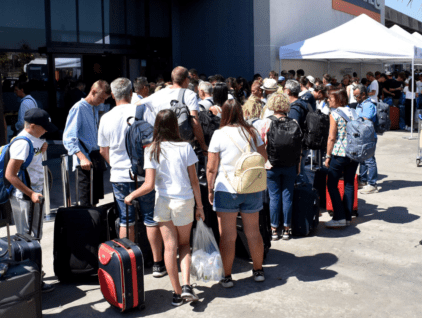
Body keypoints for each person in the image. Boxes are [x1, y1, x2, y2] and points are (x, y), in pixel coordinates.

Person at [124, 109, 204, 306]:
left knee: (169, 246)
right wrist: (200, 206)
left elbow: (149, 185)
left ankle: (177, 294)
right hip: (184, 201)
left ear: (157, 126)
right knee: (184, 245)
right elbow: (195, 182)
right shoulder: (185, 147)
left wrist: (132, 194)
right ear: (175, 126)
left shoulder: (151, 149)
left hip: (163, 203)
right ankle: (186, 285)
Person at [97, 78, 166, 278]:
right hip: (144, 174)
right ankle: (157, 264)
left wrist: (115, 165)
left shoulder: (106, 118)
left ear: (112, 94)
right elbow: (154, 142)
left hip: (118, 175)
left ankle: (129, 265)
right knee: (150, 217)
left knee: (126, 220)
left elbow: (103, 150)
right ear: (131, 93)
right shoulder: (143, 112)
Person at [207, 100, 267, 288]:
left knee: (228, 236)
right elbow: (263, 158)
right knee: (254, 232)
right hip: (251, 187)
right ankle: (258, 271)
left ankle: (227, 276)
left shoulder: (219, 134)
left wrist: (210, 189)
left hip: (226, 188)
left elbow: (211, 167)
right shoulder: (252, 131)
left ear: (224, 114)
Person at [6, 108, 56, 292]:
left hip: (32, 197)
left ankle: (33, 278)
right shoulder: (22, 143)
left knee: (33, 238)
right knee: (28, 240)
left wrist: (41, 150)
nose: (46, 131)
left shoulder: (34, 140)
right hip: (25, 198)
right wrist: (31, 193)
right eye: (44, 127)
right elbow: (10, 175)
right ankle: (31, 282)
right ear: (32, 126)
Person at [254, 93, 298, 241]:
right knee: (288, 196)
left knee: (274, 197)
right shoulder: (294, 122)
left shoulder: (264, 123)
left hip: (271, 165)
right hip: (290, 165)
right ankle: (287, 229)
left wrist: (264, 161)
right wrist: (297, 165)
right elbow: (300, 147)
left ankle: (273, 229)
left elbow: (259, 144)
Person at [63, 80, 111, 206]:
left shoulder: (93, 108)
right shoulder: (78, 108)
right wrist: (82, 157)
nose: (102, 101)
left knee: (94, 200)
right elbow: (68, 137)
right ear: (93, 92)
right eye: (101, 98)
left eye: (105, 99)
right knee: (86, 201)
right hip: (85, 161)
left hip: (94, 158)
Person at [140, 67, 208, 153]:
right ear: (186, 79)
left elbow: (137, 104)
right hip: (182, 143)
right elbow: (195, 121)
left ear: (172, 79)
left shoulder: (159, 93)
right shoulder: (189, 94)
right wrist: (203, 145)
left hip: (161, 144)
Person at [324, 89, 359, 228]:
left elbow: (332, 137)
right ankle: (348, 217)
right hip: (354, 153)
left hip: (340, 153)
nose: (328, 100)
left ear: (338, 99)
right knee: (349, 184)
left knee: (332, 185)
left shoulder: (335, 114)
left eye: (330, 98)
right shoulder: (353, 112)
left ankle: (339, 217)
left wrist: (327, 156)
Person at [353, 84, 379, 194]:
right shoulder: (359, 105)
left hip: (368, 136)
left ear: (363, 94)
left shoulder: (368, 105)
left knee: (369, 160)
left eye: (357, 96)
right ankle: (363, 180)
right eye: (354, 96)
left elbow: (365, 120)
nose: (355, 98)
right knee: (362, 159)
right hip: (361, 136)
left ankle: (372, 184)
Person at [285, 79, 310, 186]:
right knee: (301, 168)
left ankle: (304, 194)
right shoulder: (302, 103)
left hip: (299, 145)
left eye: (284, 88)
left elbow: (293, 129)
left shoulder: (294, 108)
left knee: (300, 172)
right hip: (304, 142)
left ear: (288, 91)